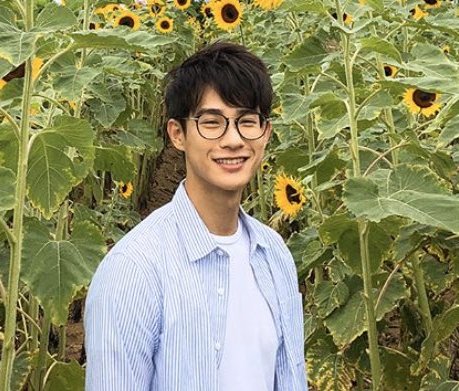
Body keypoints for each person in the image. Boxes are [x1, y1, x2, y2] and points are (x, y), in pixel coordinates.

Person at [85, 41, 306, 391]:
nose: (233, 140)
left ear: (266, 133)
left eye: (247, 121)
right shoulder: (134, 271)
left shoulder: (274, 253)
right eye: (211, 122)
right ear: (177, 134)